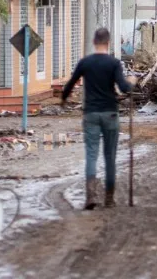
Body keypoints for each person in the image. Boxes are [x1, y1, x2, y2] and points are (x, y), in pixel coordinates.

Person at [61, 28, 136, 210]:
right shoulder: (114, 63)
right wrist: (131, 81)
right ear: (108, 43)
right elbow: (124, 88)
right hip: (110, 113)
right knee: (110, 157)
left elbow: (70, 84)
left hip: (91, 114)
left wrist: (64, 99)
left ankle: (91, 197)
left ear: (94, 42)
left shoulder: (85, 62)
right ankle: (109, 199)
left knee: (91, 155)